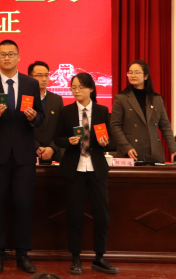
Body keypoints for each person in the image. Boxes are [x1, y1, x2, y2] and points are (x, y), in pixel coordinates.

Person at [0, 40, 43, 274]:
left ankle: (23, 255)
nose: (7, 58)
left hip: (24, 157)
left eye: (11, 54)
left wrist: (33, 118)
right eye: (3, 54)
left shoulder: (31, 83)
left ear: (18, 57)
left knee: (23, 205)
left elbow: (41, 117)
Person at [53, 73, 118, 275]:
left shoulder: (102, 111)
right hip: (75, 169)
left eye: (80, 87)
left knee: (102, 216)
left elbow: (111, 141)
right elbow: (57, 138)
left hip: (96, 169)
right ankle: (76, 258)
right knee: (74, 216)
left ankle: (99, 257)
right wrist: (68, 141)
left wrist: (106, 142)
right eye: (73, 87)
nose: (76, 91)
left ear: (91, 88)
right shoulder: (66, 111)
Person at [110, 60, 176, 163]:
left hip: (154, 154)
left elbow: (165, 126)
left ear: (146, 76)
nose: (133, 75)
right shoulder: (121, 98)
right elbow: (115, 125)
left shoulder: (156, 99)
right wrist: (126, 147)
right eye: (130, 72)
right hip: (131, 153)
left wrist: (174, 149)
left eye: (137, 72)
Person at [28, 61, 64, 162]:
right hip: (28, 154)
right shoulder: (23, 99)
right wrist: (36, 147)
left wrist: (52, 148)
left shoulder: (57, 99)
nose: (44, 79)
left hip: (53, 155)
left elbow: (61, 127)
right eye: (39, 75)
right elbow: (20, 128)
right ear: (30, 77)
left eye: (46, 75)